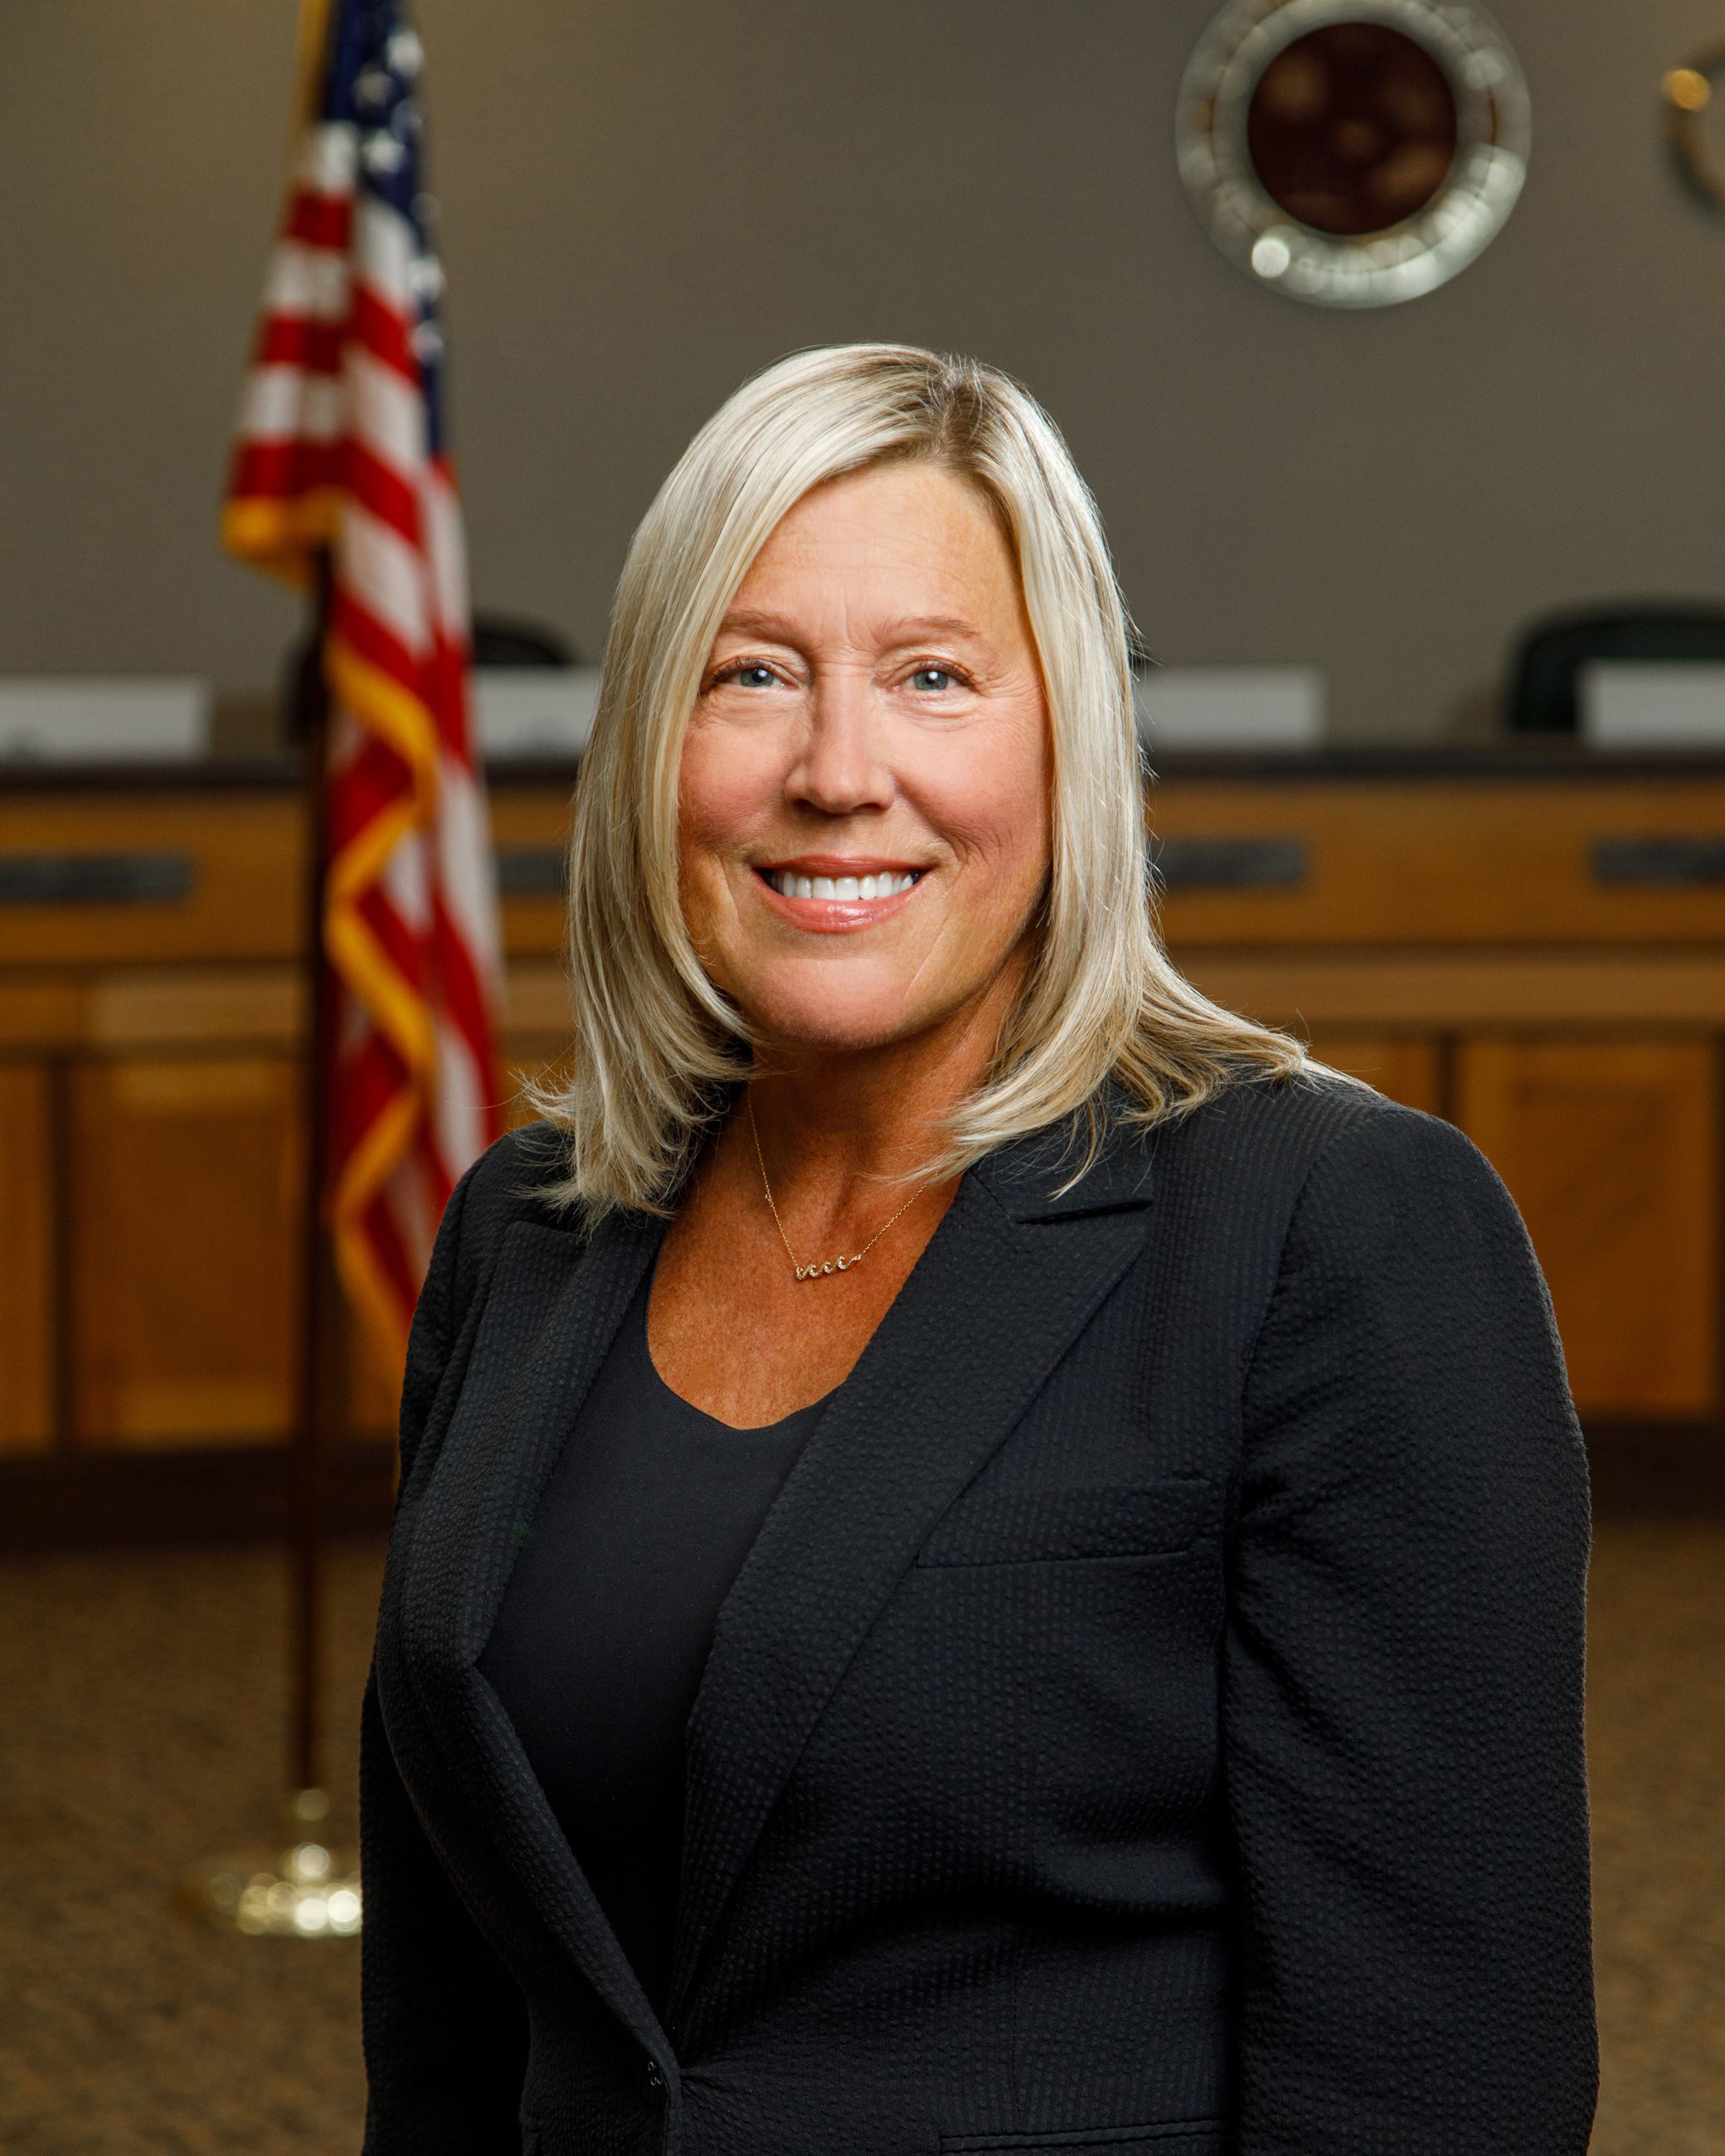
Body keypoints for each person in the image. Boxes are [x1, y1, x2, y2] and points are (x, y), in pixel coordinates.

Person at [359, 345, 1596, 2156]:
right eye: (751, 675)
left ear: (1065, 736)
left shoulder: (1329, 1231)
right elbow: (457, 1993)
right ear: (650, 744)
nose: (836, 770)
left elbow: (1437, 2072)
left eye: (931, 677)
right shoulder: (522, 1229)